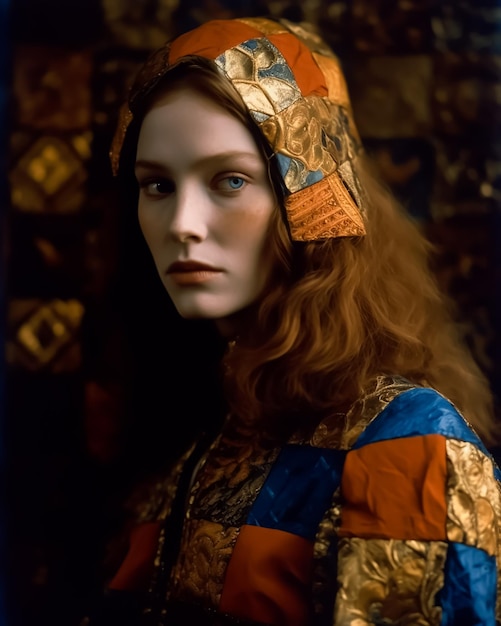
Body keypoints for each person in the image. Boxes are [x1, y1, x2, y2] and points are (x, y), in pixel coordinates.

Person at [88, 15, 501, 626]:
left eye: (229, 179)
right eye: (156, 185)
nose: (182, 223)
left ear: (309, 205)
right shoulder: (195, 429)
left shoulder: (409, 445)